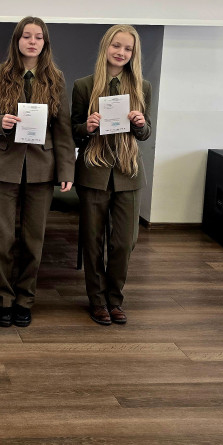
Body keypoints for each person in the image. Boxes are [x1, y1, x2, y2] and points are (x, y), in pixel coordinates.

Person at [0, 17, 74, 327]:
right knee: (2, 239)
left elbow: (62, 130)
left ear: (44, 43)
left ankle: (25, 299)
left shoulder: (56, 78)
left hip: (41, 169)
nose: (32, 42)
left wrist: (66, 168)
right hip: (3, 166)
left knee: (33, 239)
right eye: (27, 36)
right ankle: (3, 299)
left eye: (38, 37)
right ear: (17, 40)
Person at [71, 25, 152, 326]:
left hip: (128, 173)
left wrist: (141, 124)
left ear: (133, 54)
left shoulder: (142, 87)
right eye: (116, 46)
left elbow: (145, 133)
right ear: (106, 47)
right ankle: (97, 301)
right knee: (93, 242)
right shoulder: (84, 85)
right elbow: (73, 130)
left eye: (127, 49)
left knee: (124, 242)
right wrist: (87, 126)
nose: (121, 52)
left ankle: (114, 299)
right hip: (94, 173)